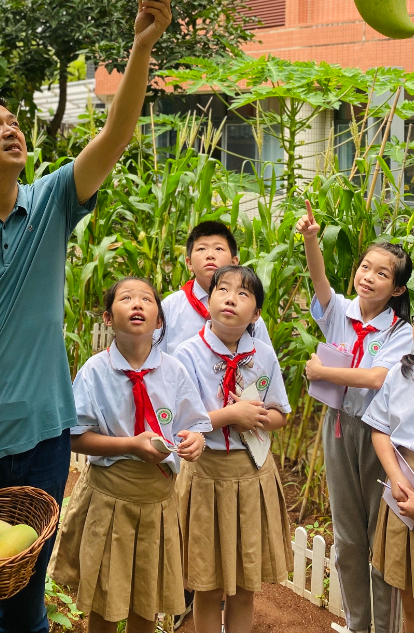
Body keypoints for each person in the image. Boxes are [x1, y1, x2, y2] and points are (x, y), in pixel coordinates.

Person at [0, 0, 172, 633]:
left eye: (12, 120)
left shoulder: (49, 204)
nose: (11, 128)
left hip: (44, 436)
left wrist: (141, 46)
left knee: (26, 605)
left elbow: (115, 134)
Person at [51, 277, 210, 632]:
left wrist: (195, 442)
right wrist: (130, 445)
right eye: (126, 299)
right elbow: (76, 438)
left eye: (146, 300)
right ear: (108, 319)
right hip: (110, 500)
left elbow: (195, 426)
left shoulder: (175, 371)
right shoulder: (95, 372)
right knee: (105, 600)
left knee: (147, 599)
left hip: (157, 501)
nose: (137, 304)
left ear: (159, 321)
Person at [296, 200, 413, 633]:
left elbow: (378, 378)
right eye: (366, 267)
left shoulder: (402, 333)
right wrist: (312, 238)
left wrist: (323, 371)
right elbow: (320, 280)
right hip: (339, 428)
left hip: (382, 438)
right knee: (348, 538)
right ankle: (357, 625)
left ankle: (384, 629)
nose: (369, 276)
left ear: (397, 289)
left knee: (380, 537)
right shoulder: (340, 313)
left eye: (383, 273)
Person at [173, 266, 293, 633]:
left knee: (244, 586)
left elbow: (279, 415)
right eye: (222, 289)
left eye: (243, 294)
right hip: (207, 474)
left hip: (251, 474)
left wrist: (255, 418)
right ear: (208, 301)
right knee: (206, 585)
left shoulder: (264, 355)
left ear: (256, 313)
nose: (230, 297)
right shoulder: (187, 354)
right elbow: (182, 422)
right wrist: (231, 415)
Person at [159, 221, 272, 358]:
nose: (210, 255)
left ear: (234, 262)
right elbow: (157, 357)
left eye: (219, 249)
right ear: (189, 263)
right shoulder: (170, 306)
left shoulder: (247, 310)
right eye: (201, 249)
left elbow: (263, 359)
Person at [364, 339, 414, 633]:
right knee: (410, 604)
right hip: (403, 492)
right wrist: (395, 476)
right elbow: (380, 427)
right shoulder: (401, 373)